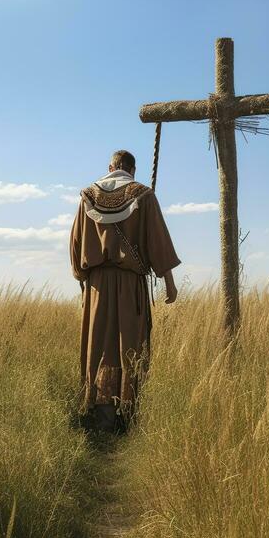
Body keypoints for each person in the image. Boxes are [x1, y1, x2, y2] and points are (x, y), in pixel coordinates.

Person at [69, 149, 180, 433]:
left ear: (110, 167)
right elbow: (158, 241)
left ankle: (100, 416)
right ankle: (127, 416)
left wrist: (83, 278)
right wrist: (169, 282)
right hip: (129, 284)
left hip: (97, 287)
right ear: (132, 170)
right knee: (130, 345)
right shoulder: (143, 195)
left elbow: (76, 243)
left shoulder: (87, 196)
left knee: (100, 347)